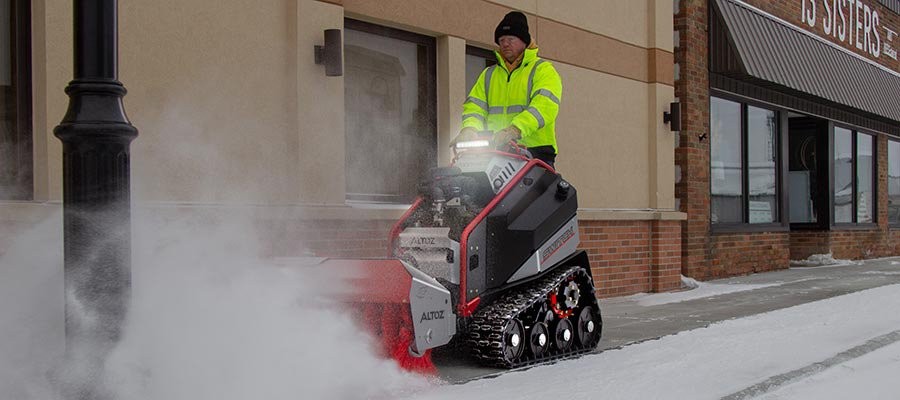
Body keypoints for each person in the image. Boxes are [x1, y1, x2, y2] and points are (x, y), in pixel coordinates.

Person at [451, 11, 563, 168]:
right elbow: (474, 108)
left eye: (511, 39)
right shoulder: (489, 74)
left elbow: (544, 107)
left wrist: (516, 129)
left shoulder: (542, 70)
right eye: (501, 40)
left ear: (524, 41)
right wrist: (470, 129)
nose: (505, 44)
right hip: (495, 151)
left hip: (535, 152)